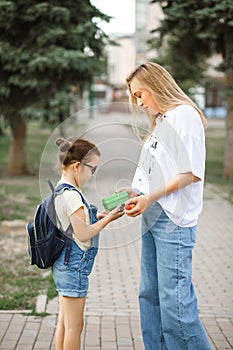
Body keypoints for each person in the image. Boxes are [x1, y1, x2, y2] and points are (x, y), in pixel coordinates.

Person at [123, 62, 212, 350]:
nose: (139, 102)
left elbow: (190, 172)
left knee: (175, 306)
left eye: (140, 94)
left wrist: (150, 197)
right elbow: (154, 171)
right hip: (152, 215)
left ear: (157, 86)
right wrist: (135, 192)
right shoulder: (162, 121)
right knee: (149, 296)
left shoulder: (184, 116)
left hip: (173, 221)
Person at [52, 136, 124, 350]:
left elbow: (74, 225)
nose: (93, 175)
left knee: (64, 323)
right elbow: (83, 235)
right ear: (77, 166)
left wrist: (101, 215)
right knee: (75, 326)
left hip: (63, 265)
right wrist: (110, 219)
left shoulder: (62, 187)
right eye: (92, 169)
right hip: (74, 267)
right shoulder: (73, 196)